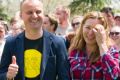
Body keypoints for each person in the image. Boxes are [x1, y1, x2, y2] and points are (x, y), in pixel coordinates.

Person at [0, 0, 70, 80]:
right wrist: (8, 75)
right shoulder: (11, 43)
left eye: (38, 12)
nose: (35, 16)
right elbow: (1, 74)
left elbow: (64, 76)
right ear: (21, 15)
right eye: (29, 12)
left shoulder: (58, 43)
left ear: (43, 14)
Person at [68, 11, 119, 79]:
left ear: (104, 32)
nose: (90, 33)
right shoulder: (74, 50)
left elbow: (114, 77)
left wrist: (102, 45)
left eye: (96, 29)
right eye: (88, 27)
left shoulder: (112, 52)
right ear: (82, 27)